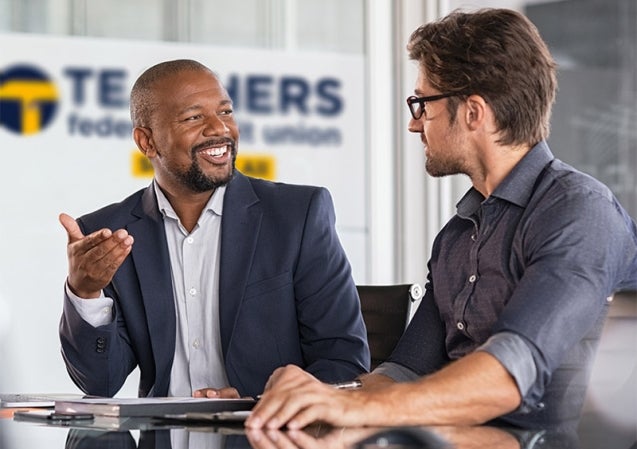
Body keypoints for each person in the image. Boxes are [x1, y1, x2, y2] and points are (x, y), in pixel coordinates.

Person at [246, 8, 637, 431]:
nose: (415, 124)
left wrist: (354, 411)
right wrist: (315, 398)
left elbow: (510, 374)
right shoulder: (457, 235)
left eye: (422, 104)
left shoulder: (579, 212)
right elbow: (402, 373)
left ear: (473, 112)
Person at [58, 59, 370, 400]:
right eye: (194, 117)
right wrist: (85, 293)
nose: (219, 129)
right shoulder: (109, 235)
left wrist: (259, 404)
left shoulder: (297, 216)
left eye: (225, 112)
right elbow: (100, 383)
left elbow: (343, 363)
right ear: (147, 142)